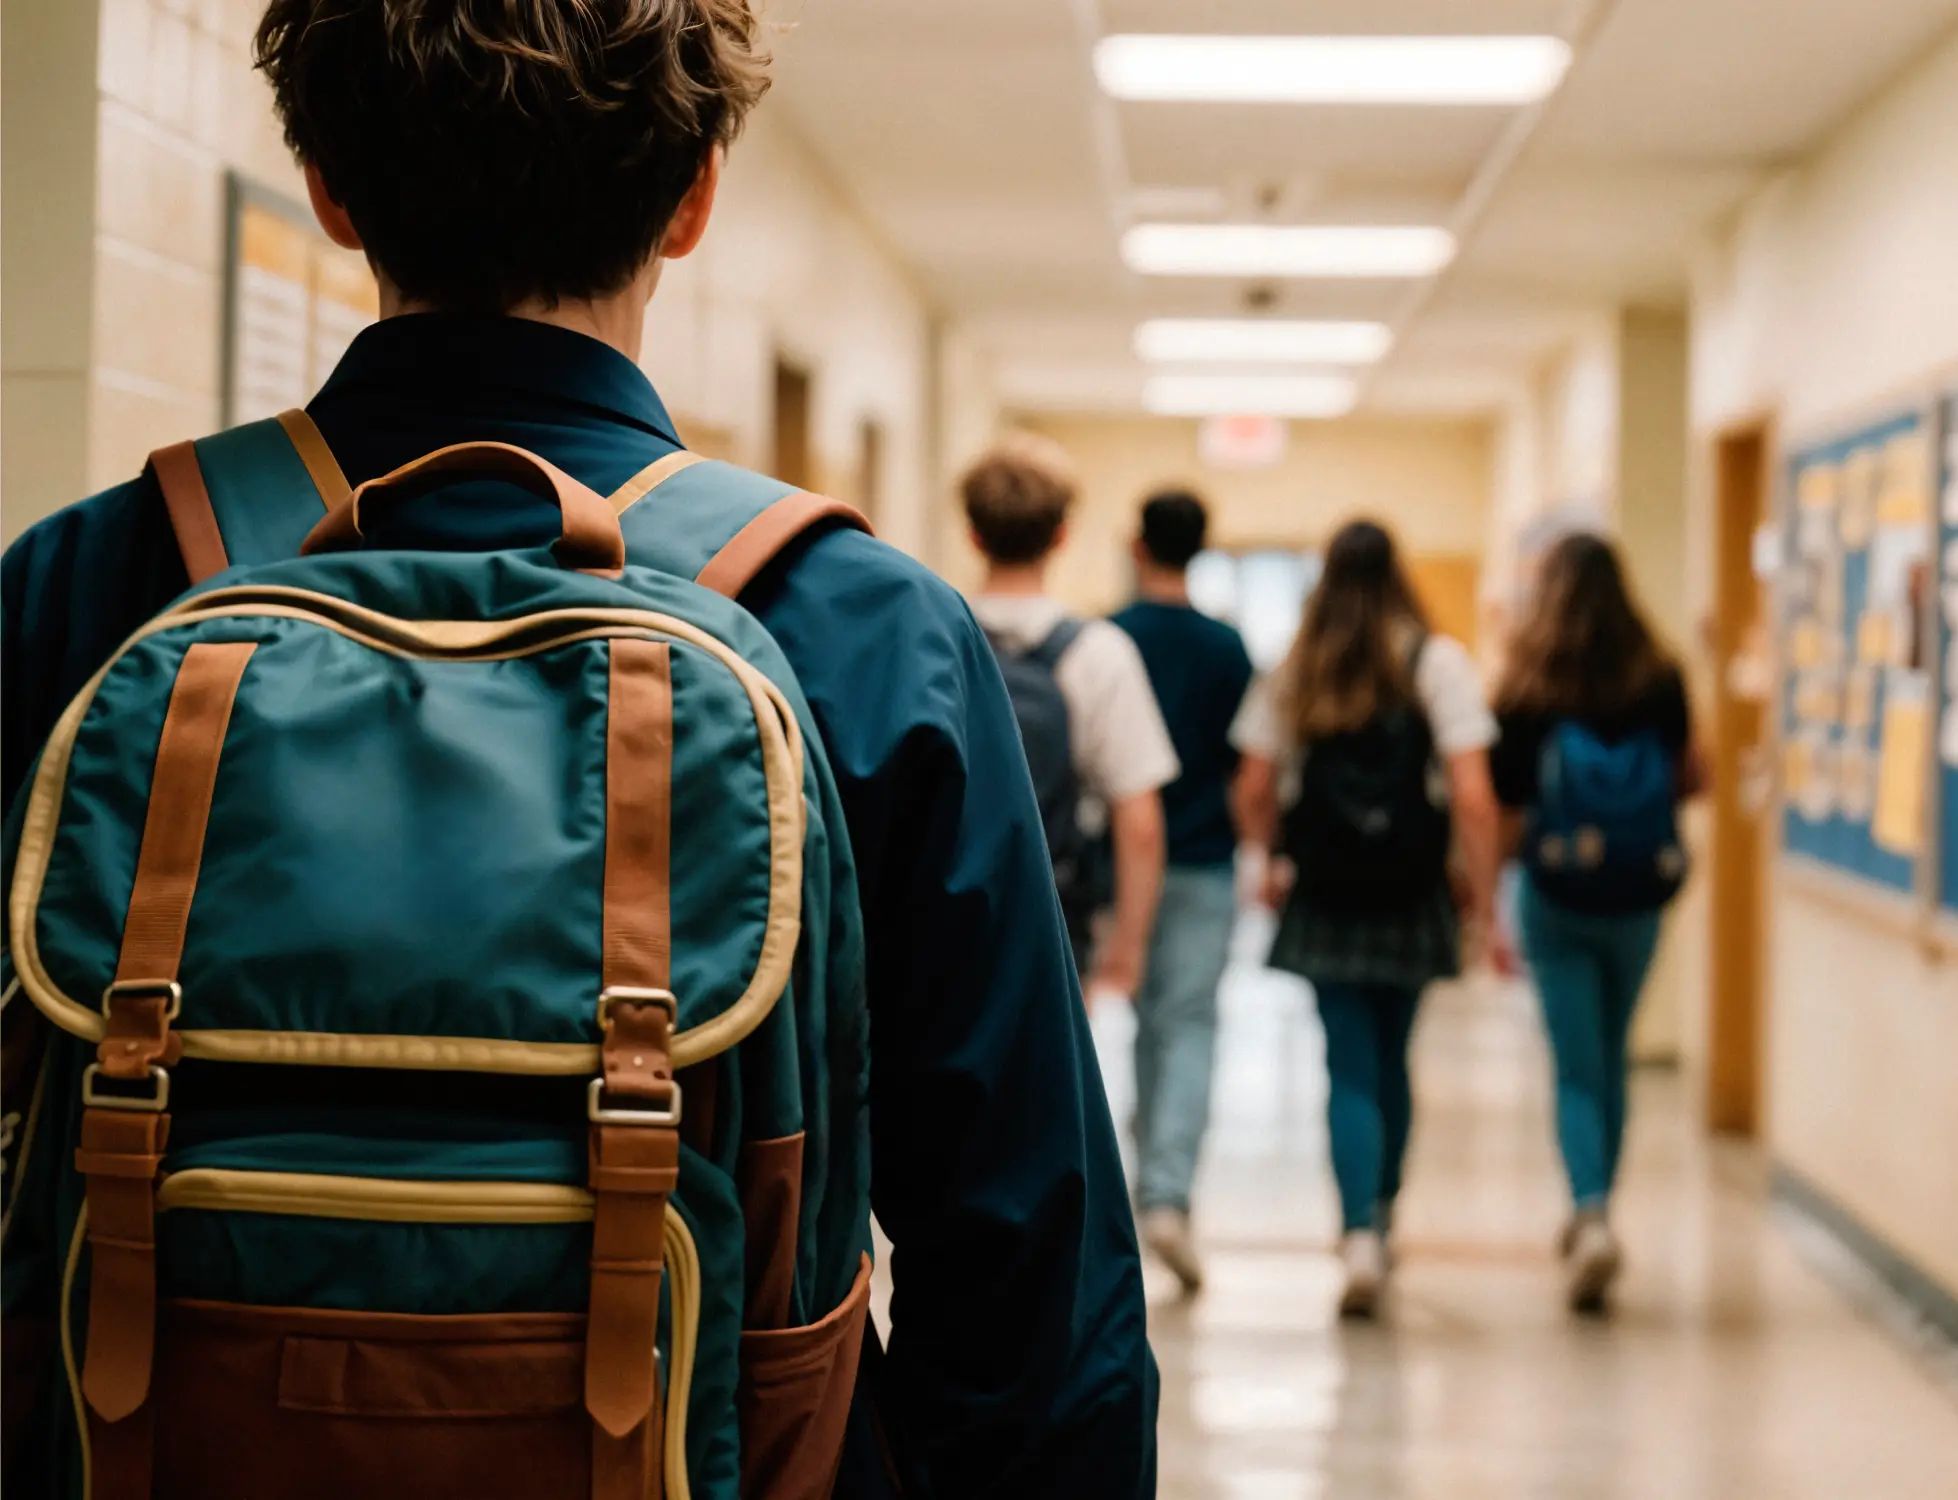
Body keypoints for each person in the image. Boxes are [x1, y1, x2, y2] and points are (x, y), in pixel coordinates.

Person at [0, 3, 1157, 1494]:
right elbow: (1031, 1282)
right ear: (695, 200)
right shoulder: (863, 632)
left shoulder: (86, 591)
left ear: (330, 187)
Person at [1232, 520, 1500, 1318]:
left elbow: (1252, 783)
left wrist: (1267, 859)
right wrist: (1480, 895)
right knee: (1393, 1056)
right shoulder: (1436, 661)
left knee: (1345, 1061)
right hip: (1412, 889)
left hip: (1325, 887)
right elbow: (1475, 794)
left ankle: (1357, 1238)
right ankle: (1382, 1215)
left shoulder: (1299, 664)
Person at [1490, 531, 1703, 1313]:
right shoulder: (1660, 675)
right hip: (1641, 891)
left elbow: (1507, 804)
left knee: (1575, 1062)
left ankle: (1589, 1211)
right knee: (1614, 1053)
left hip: (1557, 891)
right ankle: (1599, 1206)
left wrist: (1486, 901)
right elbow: (1689, 776)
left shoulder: (1527, 682)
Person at [962, 438, 1179, 1001]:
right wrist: (1127, 950)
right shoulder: (1101, 652)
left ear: (973, 533)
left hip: (939, 911)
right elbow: (1140, 820)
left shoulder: (928, 637)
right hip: (1054, 914)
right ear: (1062, 535)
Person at [1110, 490, 1254, 1294]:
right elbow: (1244, 769)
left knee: (1140, 1017)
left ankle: (1145, 1180)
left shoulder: (1109, 637)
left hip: (1125, 863)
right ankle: (1167, 1191)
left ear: (1137, 544)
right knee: (1188, 1021)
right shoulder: (1228, 648)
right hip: (1203, 857)